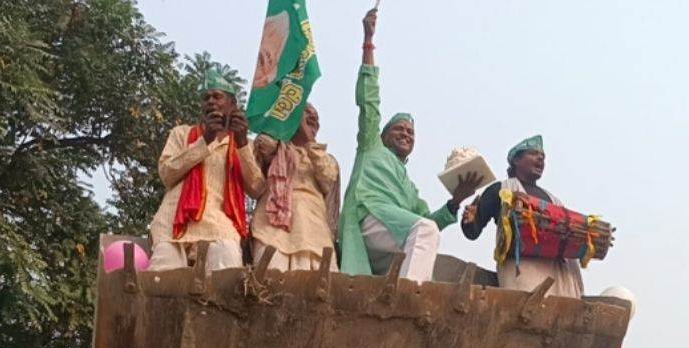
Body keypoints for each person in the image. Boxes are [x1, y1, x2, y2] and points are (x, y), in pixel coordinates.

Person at [337, 8, 482, 282]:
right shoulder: (371, 147)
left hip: (387, 244)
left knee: (427, 230)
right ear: (382, 134)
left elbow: (431, 223)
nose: (406, 134)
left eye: (411, 132)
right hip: (367, 220)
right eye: (399, 129)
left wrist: (456, 201)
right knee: (424, 230)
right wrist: (368, 41)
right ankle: (409, 296)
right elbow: (369, 99)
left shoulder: (407, 187)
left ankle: (404, 289)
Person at [148, 68, 263, 272]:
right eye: (206, 97)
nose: (210, 101)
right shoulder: (182, 134)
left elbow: (256, 188)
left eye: (217, 97)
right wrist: (205, 141)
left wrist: (243, 143)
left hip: (219, 226)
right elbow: (166, 173)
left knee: (226, 276)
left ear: (232, 104)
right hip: (173, 224)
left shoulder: (245, 143)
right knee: (162, 285)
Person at [460, 135, 584, 298]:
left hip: (559, 275)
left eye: (543, 156)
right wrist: (468, 221)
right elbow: (473, 231)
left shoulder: (554, 201)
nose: (540, 158)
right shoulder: (501, 189)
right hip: (522, 271)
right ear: (516, 160)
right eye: (533, 153)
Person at [249, 104, 341, 271]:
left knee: (317, 290)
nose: (313, 118)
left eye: (316, 117)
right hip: (271, 228)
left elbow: (327, 177)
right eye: (307, 113)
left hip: (314, 232)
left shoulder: (324, 157)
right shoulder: (275, 148)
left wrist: (309, 142)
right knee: (269, 283)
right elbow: (263, 147)